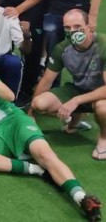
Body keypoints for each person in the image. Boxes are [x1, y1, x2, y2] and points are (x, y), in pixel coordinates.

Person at [0, 43, 102, 222]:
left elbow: (10, 96)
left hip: (14, 120)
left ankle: (81, 197)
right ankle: (37, 170)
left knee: (46, 155)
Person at [31, 9, 106, 159]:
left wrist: (76, 100)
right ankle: (76, 122)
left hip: (100, 93)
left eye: (77, 26)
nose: (72, 31)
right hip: (79, 89)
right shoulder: (62, 48)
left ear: (89, 26)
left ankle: (104, 138)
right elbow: (46, 81)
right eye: (67, 27)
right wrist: (30, 113)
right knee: (39, 103)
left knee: (102, 107)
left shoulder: (103, 45)